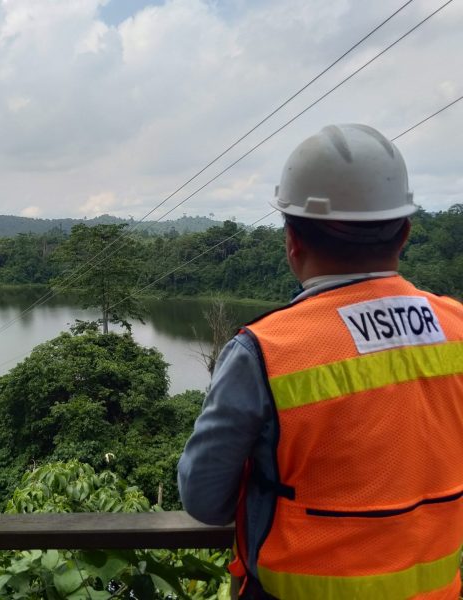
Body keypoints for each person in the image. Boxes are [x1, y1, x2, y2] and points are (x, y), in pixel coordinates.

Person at [177, 123, 463, 600]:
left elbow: (205, 500)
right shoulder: (456, 327)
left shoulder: (264, 350)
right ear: (406, 232)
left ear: (292, 239)